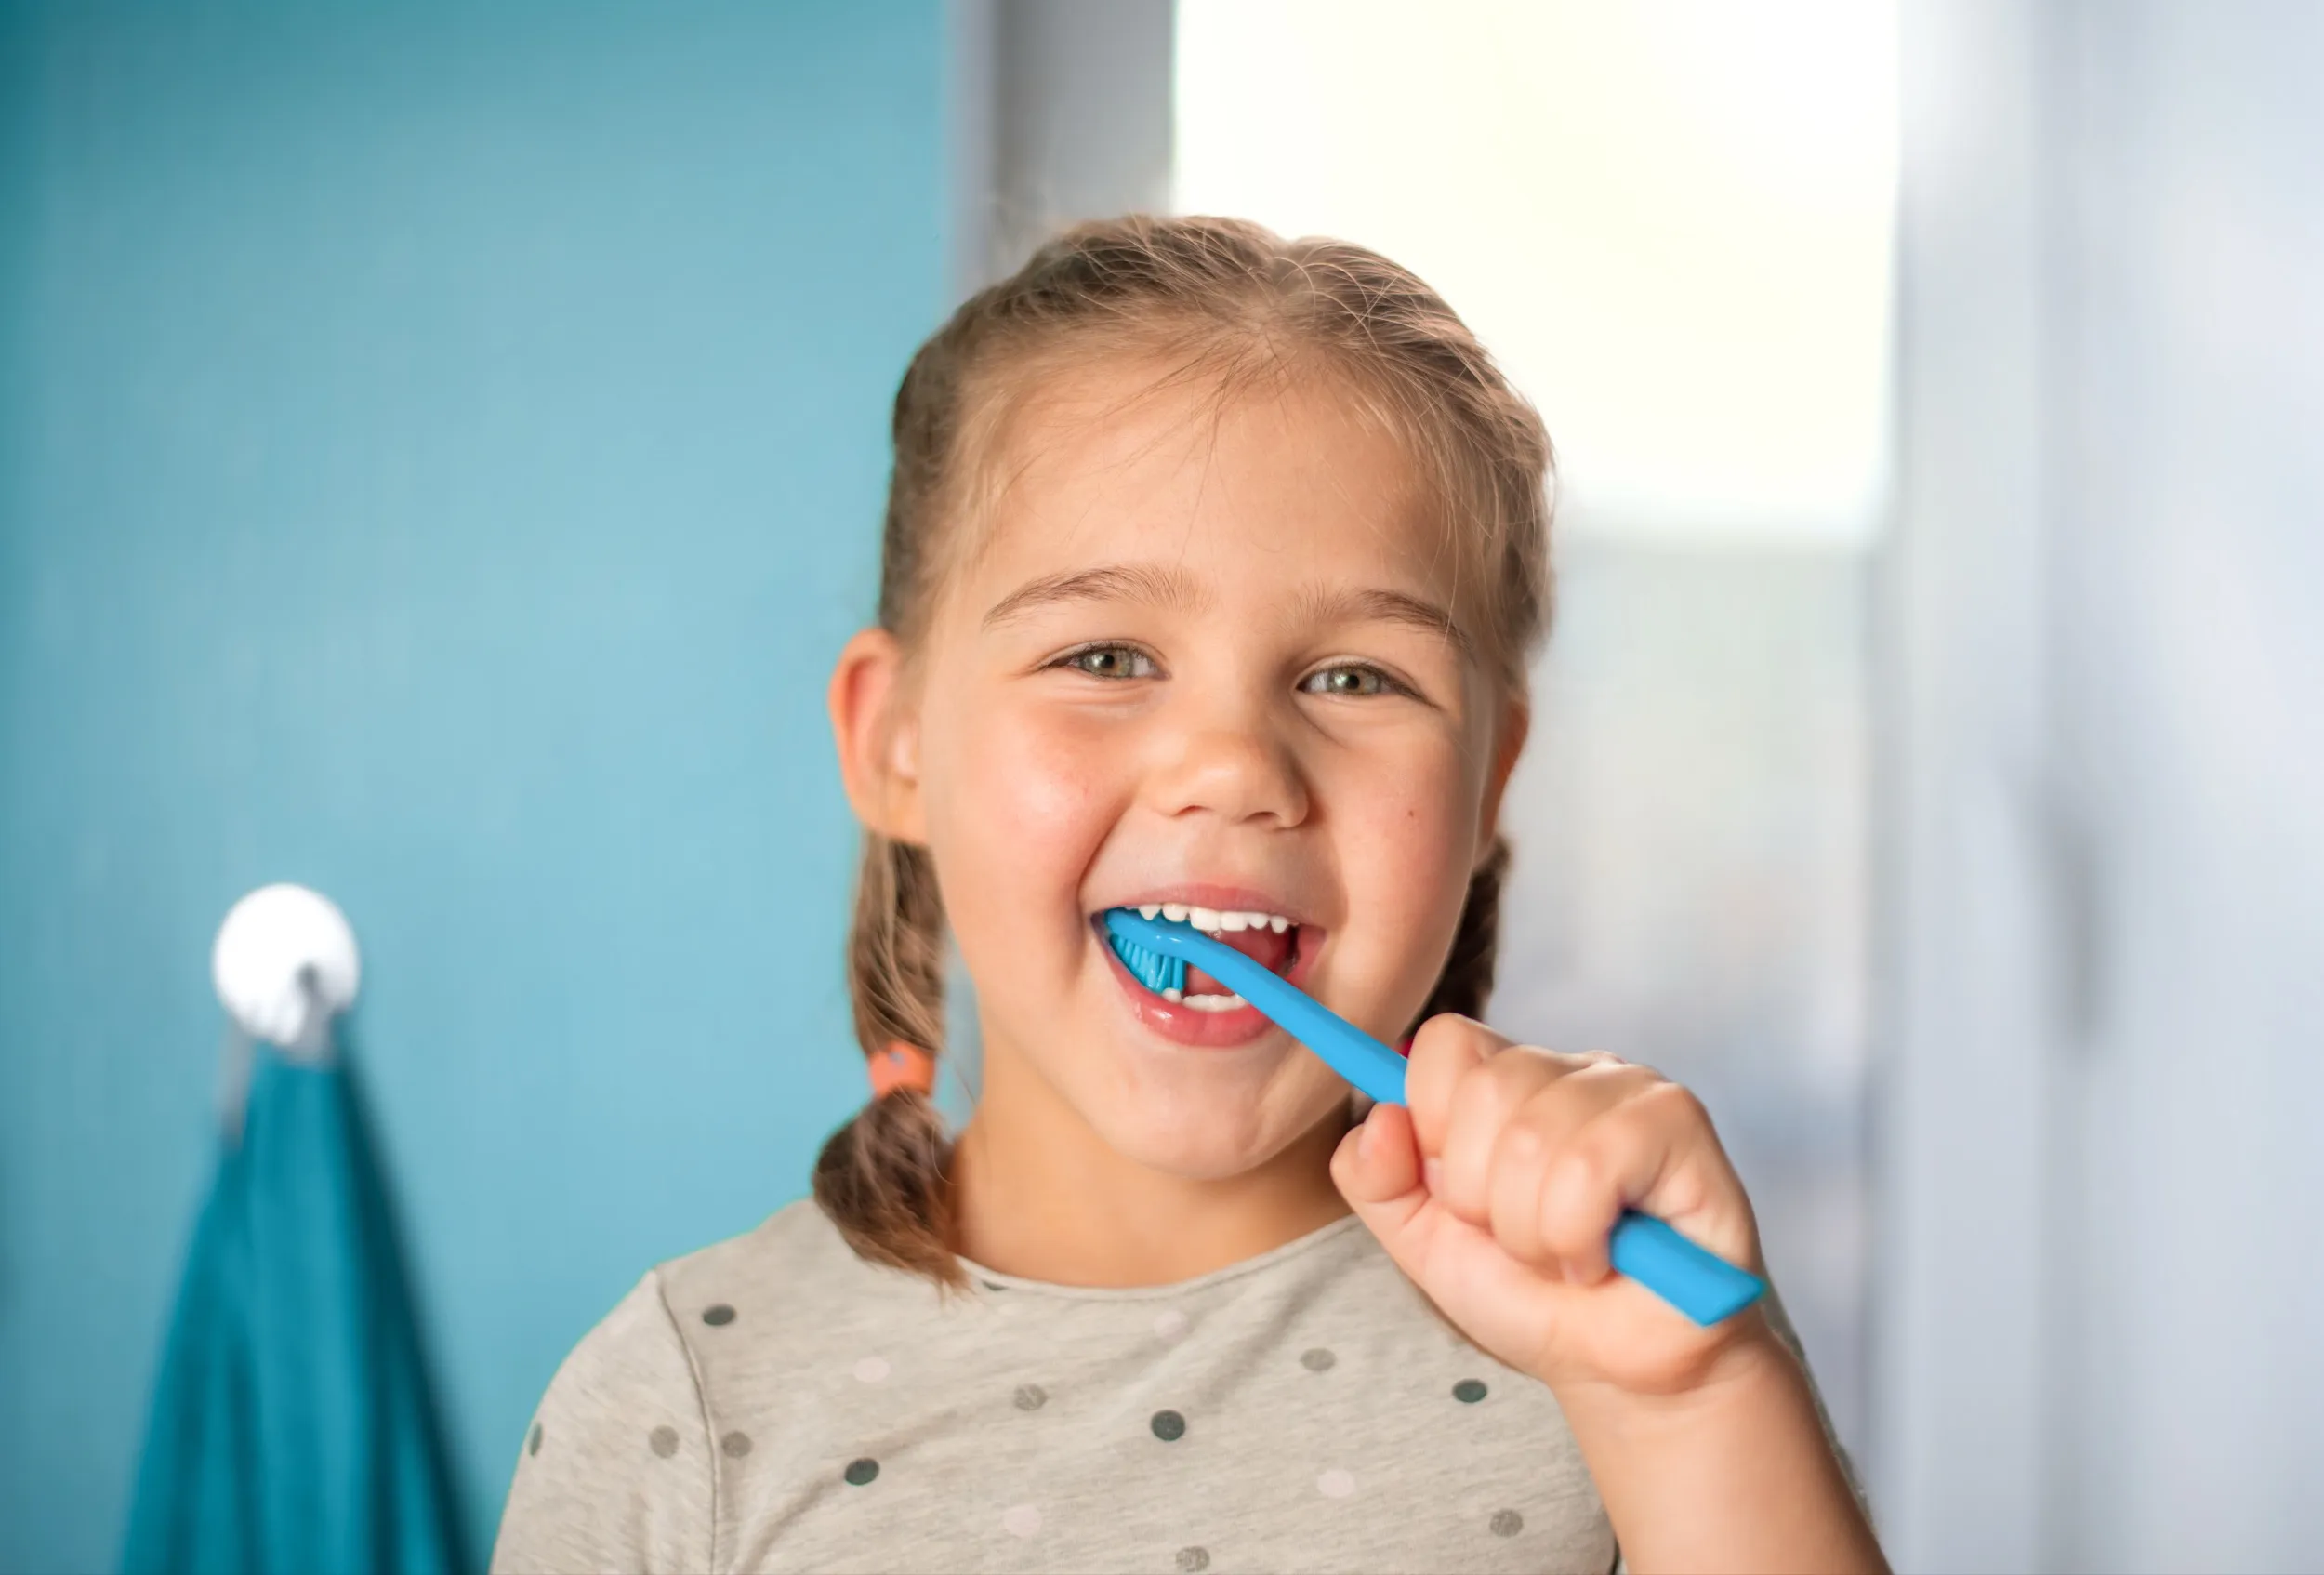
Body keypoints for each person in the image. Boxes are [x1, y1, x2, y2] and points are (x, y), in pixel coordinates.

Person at [490, 216, 1883, 1574]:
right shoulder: (688, 1403)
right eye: (1104, 656)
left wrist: (1694, 1399)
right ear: (895, 740)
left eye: (1355, 677)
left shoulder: (1621, 1347)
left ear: (1487, 781)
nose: (1230, 766)